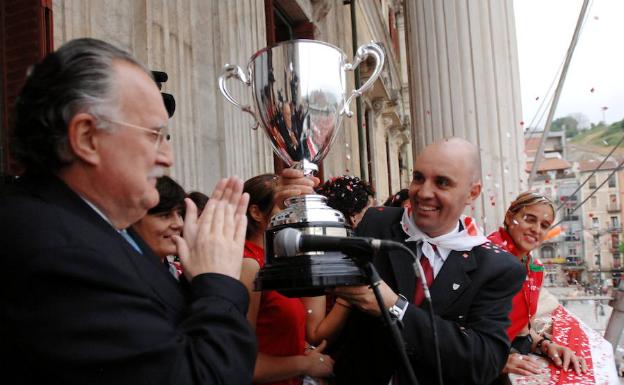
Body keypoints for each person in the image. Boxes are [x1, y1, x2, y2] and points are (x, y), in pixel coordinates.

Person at [0, 38, 256, 384]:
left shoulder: (90, 227)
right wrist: (220, 282)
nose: (168, 158)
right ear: (87, 137)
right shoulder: (61, 254)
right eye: (154, 135)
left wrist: (198, 280)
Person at [277, 137, 526, 385]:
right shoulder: (378, 222)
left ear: (472, 193)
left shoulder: (497, 267)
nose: (424, 192)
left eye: (442, 182)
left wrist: (394, 306)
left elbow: (484, 362)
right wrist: (290, 215)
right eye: (418, 178)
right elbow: (311, 277)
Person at [239, 174, 334, 385]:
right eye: (285, 207)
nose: (295, 217)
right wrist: (305, 364)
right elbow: (242, 362)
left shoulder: (276, 260)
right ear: (256, 212)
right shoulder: (249, 264)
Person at [487, 192, 587, 379]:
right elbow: (457, 328)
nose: (536, 229)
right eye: (529, 219)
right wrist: (499, 361)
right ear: (510, 217)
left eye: (544, 225)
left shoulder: (533, 268)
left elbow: (518, 330)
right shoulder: (485, 257)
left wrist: (545, 345)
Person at [132, 175, 186, 278]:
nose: (178, 224)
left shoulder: (175, 272)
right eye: (165, 215)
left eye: (179, 213)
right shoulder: (126, 275)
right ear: (134, 218)